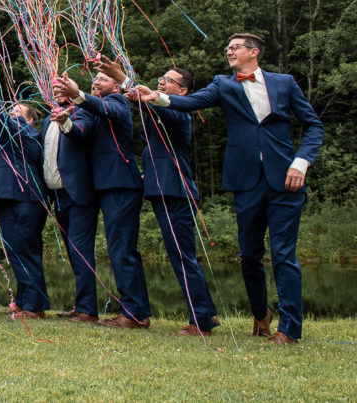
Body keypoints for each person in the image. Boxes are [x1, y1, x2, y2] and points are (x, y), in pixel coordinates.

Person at [136, 33, 324, 344]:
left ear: (254, 52)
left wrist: (301, 162)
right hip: (245, 181)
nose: (229, 52)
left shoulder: (285, 82)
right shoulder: (223, 84)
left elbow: (314, 125)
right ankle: (261, 314)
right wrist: (156, 98)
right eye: (227, 49)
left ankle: (289, 330)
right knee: (249, 255)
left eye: (234, 47)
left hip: (286, 179)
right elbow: (191, 102)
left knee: (283, 254)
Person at [95, 58, 219, 336]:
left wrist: (124, 78)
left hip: (174, 190)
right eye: (161, 78)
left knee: (183, 257)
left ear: (183, 91)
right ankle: (205, 315)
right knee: (180, 255)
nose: (162, 81)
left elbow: (155, 106)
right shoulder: (159, 109)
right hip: (161, 189)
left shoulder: (178, 113)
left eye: (169, 80)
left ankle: (200, 320)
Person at [53, 71, 150, 328]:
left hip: (120, 183)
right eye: (94, 79)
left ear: (116, 86)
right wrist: (66, 121)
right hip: (104, 186)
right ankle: (135, 310)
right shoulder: (96, 109)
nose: (96, 82)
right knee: (119, 248)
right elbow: (82, 132)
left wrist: (78, 94)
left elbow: (109, 112)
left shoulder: (118, 103)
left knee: (122, 248)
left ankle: (135, 314)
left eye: (103, 80)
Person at [0, 101, 49, 319]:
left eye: (16, 113)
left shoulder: (28, 134)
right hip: (10, 200)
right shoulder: (6, 137)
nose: (11, 116)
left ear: (29, 120)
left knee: (25, 250)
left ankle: (34, 306)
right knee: (17, 252)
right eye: (10, 112)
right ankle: (24, 301)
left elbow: (4, 123)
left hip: (25, 198)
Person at [40, 98, 97, 322]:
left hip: (78, 192)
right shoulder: (46, 121)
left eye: (60, 89)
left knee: (79, 250)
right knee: (71, 249)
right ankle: (82, 304)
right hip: (57, 196)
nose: (56, 92)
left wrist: (65, 122)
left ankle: (88, 309)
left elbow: (80, 133)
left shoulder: (81, 113)